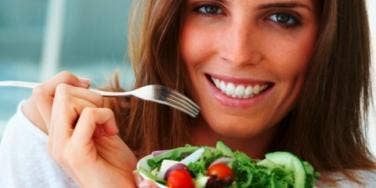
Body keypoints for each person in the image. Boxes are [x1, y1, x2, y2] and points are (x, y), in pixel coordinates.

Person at [0, 0, 375, 187]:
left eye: (282, 17)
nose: (239, 53)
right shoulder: (57, 144)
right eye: (209, 8)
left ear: (330, 40)